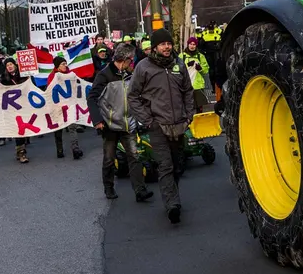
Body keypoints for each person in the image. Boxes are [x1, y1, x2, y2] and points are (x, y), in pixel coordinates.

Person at [127, 28, 193, 223]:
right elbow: (133, 96)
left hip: (179, 124)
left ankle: (173, 195)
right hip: (157, 125)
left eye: (169, 44)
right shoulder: (143, 67)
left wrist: (189, 115)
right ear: (155, 47)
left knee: (178, 165)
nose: (167, 47)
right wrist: (148, 120)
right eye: (163, 44)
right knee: (165, 166)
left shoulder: (178, 64)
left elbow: (188, 91)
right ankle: (172, 204)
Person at [89, 44, 151, 201]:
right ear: (125, 59)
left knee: (134, 157)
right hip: (109, 125)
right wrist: (98, 121)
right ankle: (108, 188)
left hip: (128, 122)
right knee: (109, 158)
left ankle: (140, 190)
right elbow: (92, 98)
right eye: (131, 60)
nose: (132, 63)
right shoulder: (104, 76)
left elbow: (136, 96)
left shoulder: (130, 75)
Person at [45, 57, 83, 160]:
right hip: (57, 107)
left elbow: (78, 86)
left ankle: (75, 149)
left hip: (69, 105)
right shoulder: (52, 76)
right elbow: (49, 91)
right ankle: (59, 149)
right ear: (57, 66)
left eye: (65, 63)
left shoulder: (71, 75)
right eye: (62, 64)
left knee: (72, 127)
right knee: (58, 129)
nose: (65, 65)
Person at [0, 58, 30, 163]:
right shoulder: (4, 78)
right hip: (12, 108)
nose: (9, 66)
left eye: (11, 64)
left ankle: (20, 150)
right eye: (7, 65)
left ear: (15, 65)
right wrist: (0, 86)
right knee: (18, 130)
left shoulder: (24, 75)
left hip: (24, 106)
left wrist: (29, 79)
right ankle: (22, 153)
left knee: (23, 130)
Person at [179, 37, 212, 111]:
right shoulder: (182, 56)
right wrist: (187, 65)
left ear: (196, 46)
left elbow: (206, 70)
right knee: (187, 106)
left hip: (198, 85)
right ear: (188, 44)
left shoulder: (201, 56)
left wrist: (200, 68)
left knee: (199, 107)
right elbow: (178, 69)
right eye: (190, 44)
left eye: (194, 44)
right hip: (186, 85)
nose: (192, 46)